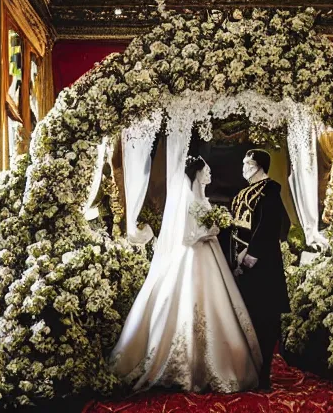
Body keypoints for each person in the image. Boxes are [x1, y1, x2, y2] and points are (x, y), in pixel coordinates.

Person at [110, 156, 262, 393]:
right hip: (192, 257)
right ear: (197, 174)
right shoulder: (188, 201)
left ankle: (220, 361)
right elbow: (187, 237)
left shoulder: (204, 199)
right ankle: (181, 363)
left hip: (210, 255)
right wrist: (210, 231)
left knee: (216, 303)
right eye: (207, 171)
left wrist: (214, 229)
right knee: (188, 302)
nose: (210, 175)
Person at [231, 149, 290, 391]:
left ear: (258, 166)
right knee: (248, 318)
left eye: (247, 163)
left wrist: (252, 254)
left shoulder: (269, 190)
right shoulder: (243, 193)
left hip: (261, 265)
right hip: (241, 265)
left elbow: (271, 225)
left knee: (266, 319)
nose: (243, 167)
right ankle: (248, 370)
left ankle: (264, 375)